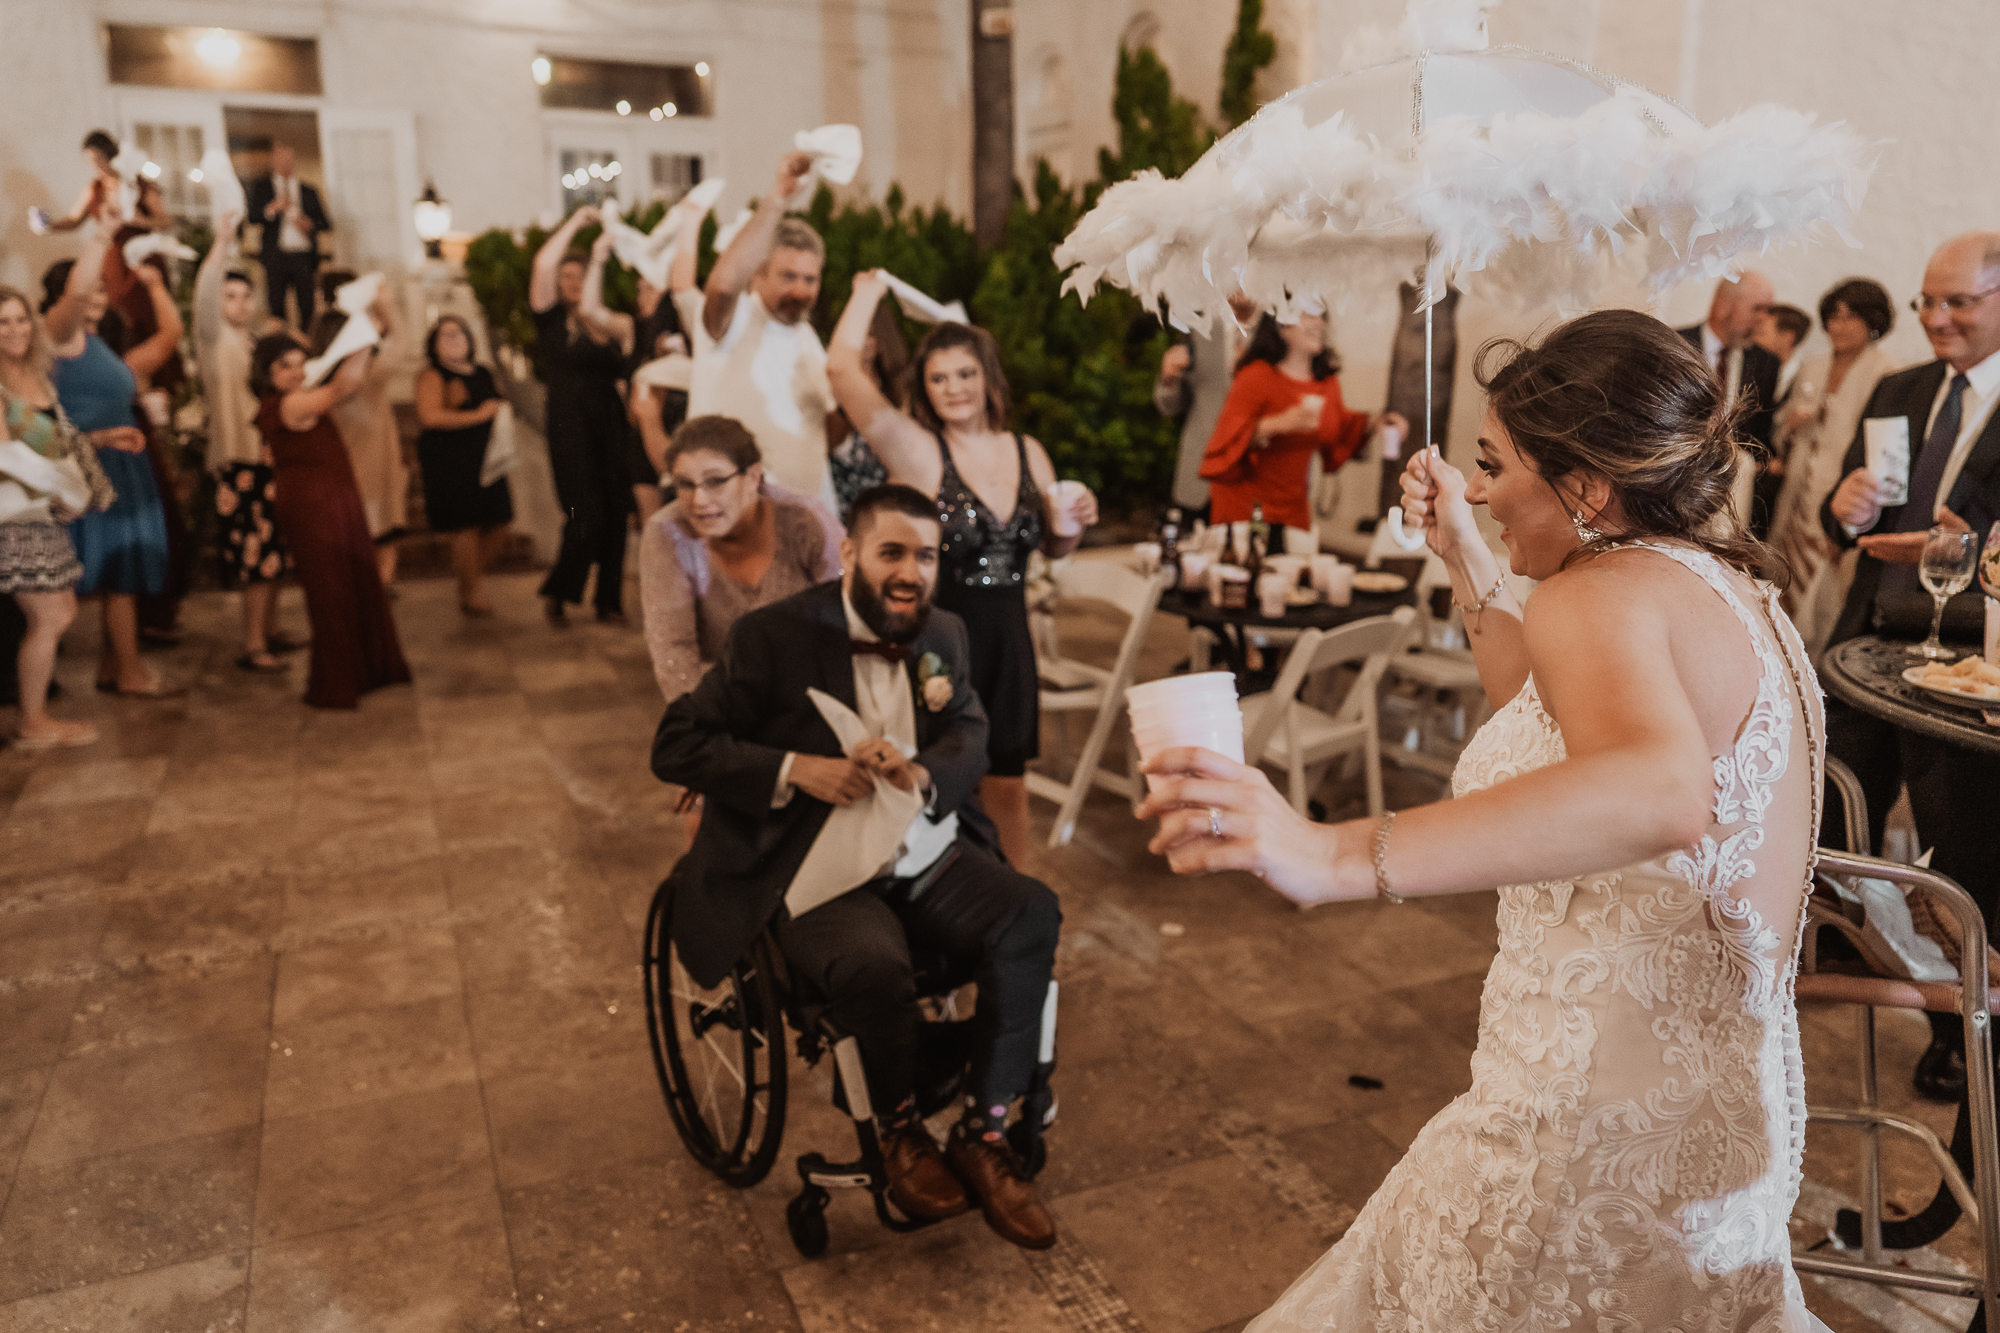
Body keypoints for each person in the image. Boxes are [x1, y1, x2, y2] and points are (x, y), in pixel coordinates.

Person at [1141, 309, 1828, 1330]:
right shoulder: (1723, 587)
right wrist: (1463, 552)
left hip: (1577, 1134)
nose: (1473, 486)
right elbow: (1546, 715)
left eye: (1491, 464)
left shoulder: (1596, 596)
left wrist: (1329, 850)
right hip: (1709, 1137)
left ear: (1586, 487)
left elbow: (1655, 789)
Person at [653, 483, 1063, 1250]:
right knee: (875, 965)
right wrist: (793, 768)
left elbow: (968, 729)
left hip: (917, 847)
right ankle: (901, 1129)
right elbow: (677, 744)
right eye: (892, 553)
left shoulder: (943, 629)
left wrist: (919, 769)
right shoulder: (771, 637)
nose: (912, 571)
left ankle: (986, 1128)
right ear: (848, 553)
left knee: (1030, 911)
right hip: (817, 865)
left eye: (928, 555)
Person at [827, 271, 1099, 868]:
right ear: (924, 387)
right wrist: (867, 294)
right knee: (937, 784)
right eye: (939, 377)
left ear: (988, 378)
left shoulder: (1028, 451)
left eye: (966, 374)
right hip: (940, 642)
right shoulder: (919, 451)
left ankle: (1012, 912)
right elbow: (842, 371)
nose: (954, 388)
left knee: (1008, 783)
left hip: (1010, 641)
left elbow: (1053, 549)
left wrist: (1074, 520)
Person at [1820, 231, 2000, 1104]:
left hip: (1964, 672)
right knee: (1831, 818)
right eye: (1927, 299)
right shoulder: (1899, 388)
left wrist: (1973, 545)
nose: (1935, 318)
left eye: (1957, 302)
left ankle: (1952, 1030)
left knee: (1956, 855)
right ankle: (1831, 959)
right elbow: (1852, 510)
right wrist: (1842, 501)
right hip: (1866, 644)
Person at [43, 203, 178, 698]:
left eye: (104, 289)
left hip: (125, 465)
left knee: (122, 572)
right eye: (90, 289)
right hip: (91, 464)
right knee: (117, 572)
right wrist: (100, 237)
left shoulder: (100, 344)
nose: (97, 295)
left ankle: (111, 667)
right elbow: (77, 293)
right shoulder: (58, 340)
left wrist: (157, 287)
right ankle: (130, 671)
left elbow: (168, 340)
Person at [251, 334, 411, 709]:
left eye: (299, 362)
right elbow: (343, 386)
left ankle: (368, 671)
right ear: (267, 373)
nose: (296, 371)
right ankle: (337, 682)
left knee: (354, 582)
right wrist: (362, 336)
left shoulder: (293, 400)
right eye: (284, 365)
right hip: (312, 507)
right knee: (331, 591)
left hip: (335, 499)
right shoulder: (288, 404)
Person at [640, 414, 841, 705]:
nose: (698, 500)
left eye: (715, 481)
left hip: (815, 694)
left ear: (752, 477)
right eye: (685, 484)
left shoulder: (804, 521)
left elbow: (848, 619)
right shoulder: (667, 533)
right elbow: (674, 647)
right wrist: (702, 722)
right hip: (723, 700)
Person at [0, 284, 115, 749]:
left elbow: (56, 441)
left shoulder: (37, 376)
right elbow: (8, 457)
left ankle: (34, 715)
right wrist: (63, 491)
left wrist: (102, 441)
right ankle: (32, 721)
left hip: (45, 511)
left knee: (61, 612)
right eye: (3, 322)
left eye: (21, 319)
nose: (16, 329)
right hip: (17, 517)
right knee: (49, 616)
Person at [692, 151, 838, 505]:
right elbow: (724, 286)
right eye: (788, 277)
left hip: (806, 508)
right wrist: (779, 198)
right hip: (736, 512)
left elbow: (828, 429)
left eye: (810, 279)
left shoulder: (808, 338)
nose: (801, 291)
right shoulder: (735, 319)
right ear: (757, 274)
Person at [193, 211, 303, 672]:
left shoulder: (256, 341)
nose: (238, 304)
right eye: (229, 296)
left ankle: (271, 630)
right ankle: (253, 643)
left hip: (266, 460)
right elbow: (202, 297)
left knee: (274, 553)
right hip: (237, 462)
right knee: (255, 559)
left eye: (245, 296)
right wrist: (221, 242)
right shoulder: (213, 340)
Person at [1200, 310, 1405, 549]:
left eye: (1321, 316)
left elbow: (1340, 427)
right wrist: (1279, 423)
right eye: (1309, 315)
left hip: (1293, 508)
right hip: (1246, 506)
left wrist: (1376, 422)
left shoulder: (1325, 382)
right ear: (1282, 325)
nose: (1319, 323)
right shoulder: (1255, 375)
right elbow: (1225, 440)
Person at [1767, 279, 1896, 649]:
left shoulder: (1887, 373)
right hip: (1800, 488)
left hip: (1842, 491)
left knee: (1827, 592)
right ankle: (1777, 653)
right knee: (1784, 575)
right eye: (1833, 317)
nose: (1839, 326)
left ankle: (1816, 664)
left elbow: (1881, 446)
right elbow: (1782, 427)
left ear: (1873, 321)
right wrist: (1791, 425)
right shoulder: (1813, 366)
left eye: (1850, 317)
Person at [529, 206, 634, 626]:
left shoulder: (606, 321)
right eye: (565, 276)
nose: (572, 282)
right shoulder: (551, 322)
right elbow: (542, 263)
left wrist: (601, 255)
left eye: (579, 274)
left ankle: (608, 601)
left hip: (610, 421)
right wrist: (575, 223)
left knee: (616, 512)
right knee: (583, 512)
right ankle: (560, 589)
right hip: (569, 423)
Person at [309, 272, 409, 588]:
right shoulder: (365, 377)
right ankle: (376, 599)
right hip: (367, 479)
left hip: (345, 477)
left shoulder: (314, 379)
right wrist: (388, 305)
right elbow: (402, 343)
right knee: (379, 545)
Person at [414, 314, 513, 617]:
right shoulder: (432, 375)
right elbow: (429, 417)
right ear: (434, 343)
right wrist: (479, 416)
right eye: (445, 334)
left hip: (487, 456)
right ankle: (471, 591)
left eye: (459, 333)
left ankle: (469, 583)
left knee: (500, 521)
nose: (454, 338)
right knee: (465, 526)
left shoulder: (483, 372)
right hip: (450, 459)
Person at [1680, 272, 1782, 538]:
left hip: (1732, 490)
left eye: (1768, 310)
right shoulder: (1675, 344)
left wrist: (1760, 461)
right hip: (1676, 477)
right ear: (1724, 304)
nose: (1764, 319)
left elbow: (1761, 429)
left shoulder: (1765, 363)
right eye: (1757, 308)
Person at [1154, 289, 1258, 517]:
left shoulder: (1281, 330)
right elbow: (1170, 406)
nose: (1240, 284)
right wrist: (1168, 379)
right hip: (1201, 473)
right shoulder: (1200, 325)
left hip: (1254, 473)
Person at [827, 300, 907, 524]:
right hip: (842, 522)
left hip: (892, 519)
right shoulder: (828, 392)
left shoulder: (902, 396)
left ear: (876, 342)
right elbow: (829, 441)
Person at [243, 144, 332, 329]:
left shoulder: (308, 191)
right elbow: (252, 217)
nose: (286, 163)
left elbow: (325, 223)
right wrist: (272, 209)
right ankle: (280, 346)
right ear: (274, 162)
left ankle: (307, 343)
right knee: (276, 305)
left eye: (289, 160)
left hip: (303, 256)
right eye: (281, 159)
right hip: (276, 256)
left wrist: (308, 224)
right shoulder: (263, 189)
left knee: (307, 305)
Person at [1758, 303, 1813, 406]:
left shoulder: (1804, 379)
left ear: (1788, 338)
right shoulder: (1754, 371)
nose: (1756, 340)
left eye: (1761, 333)